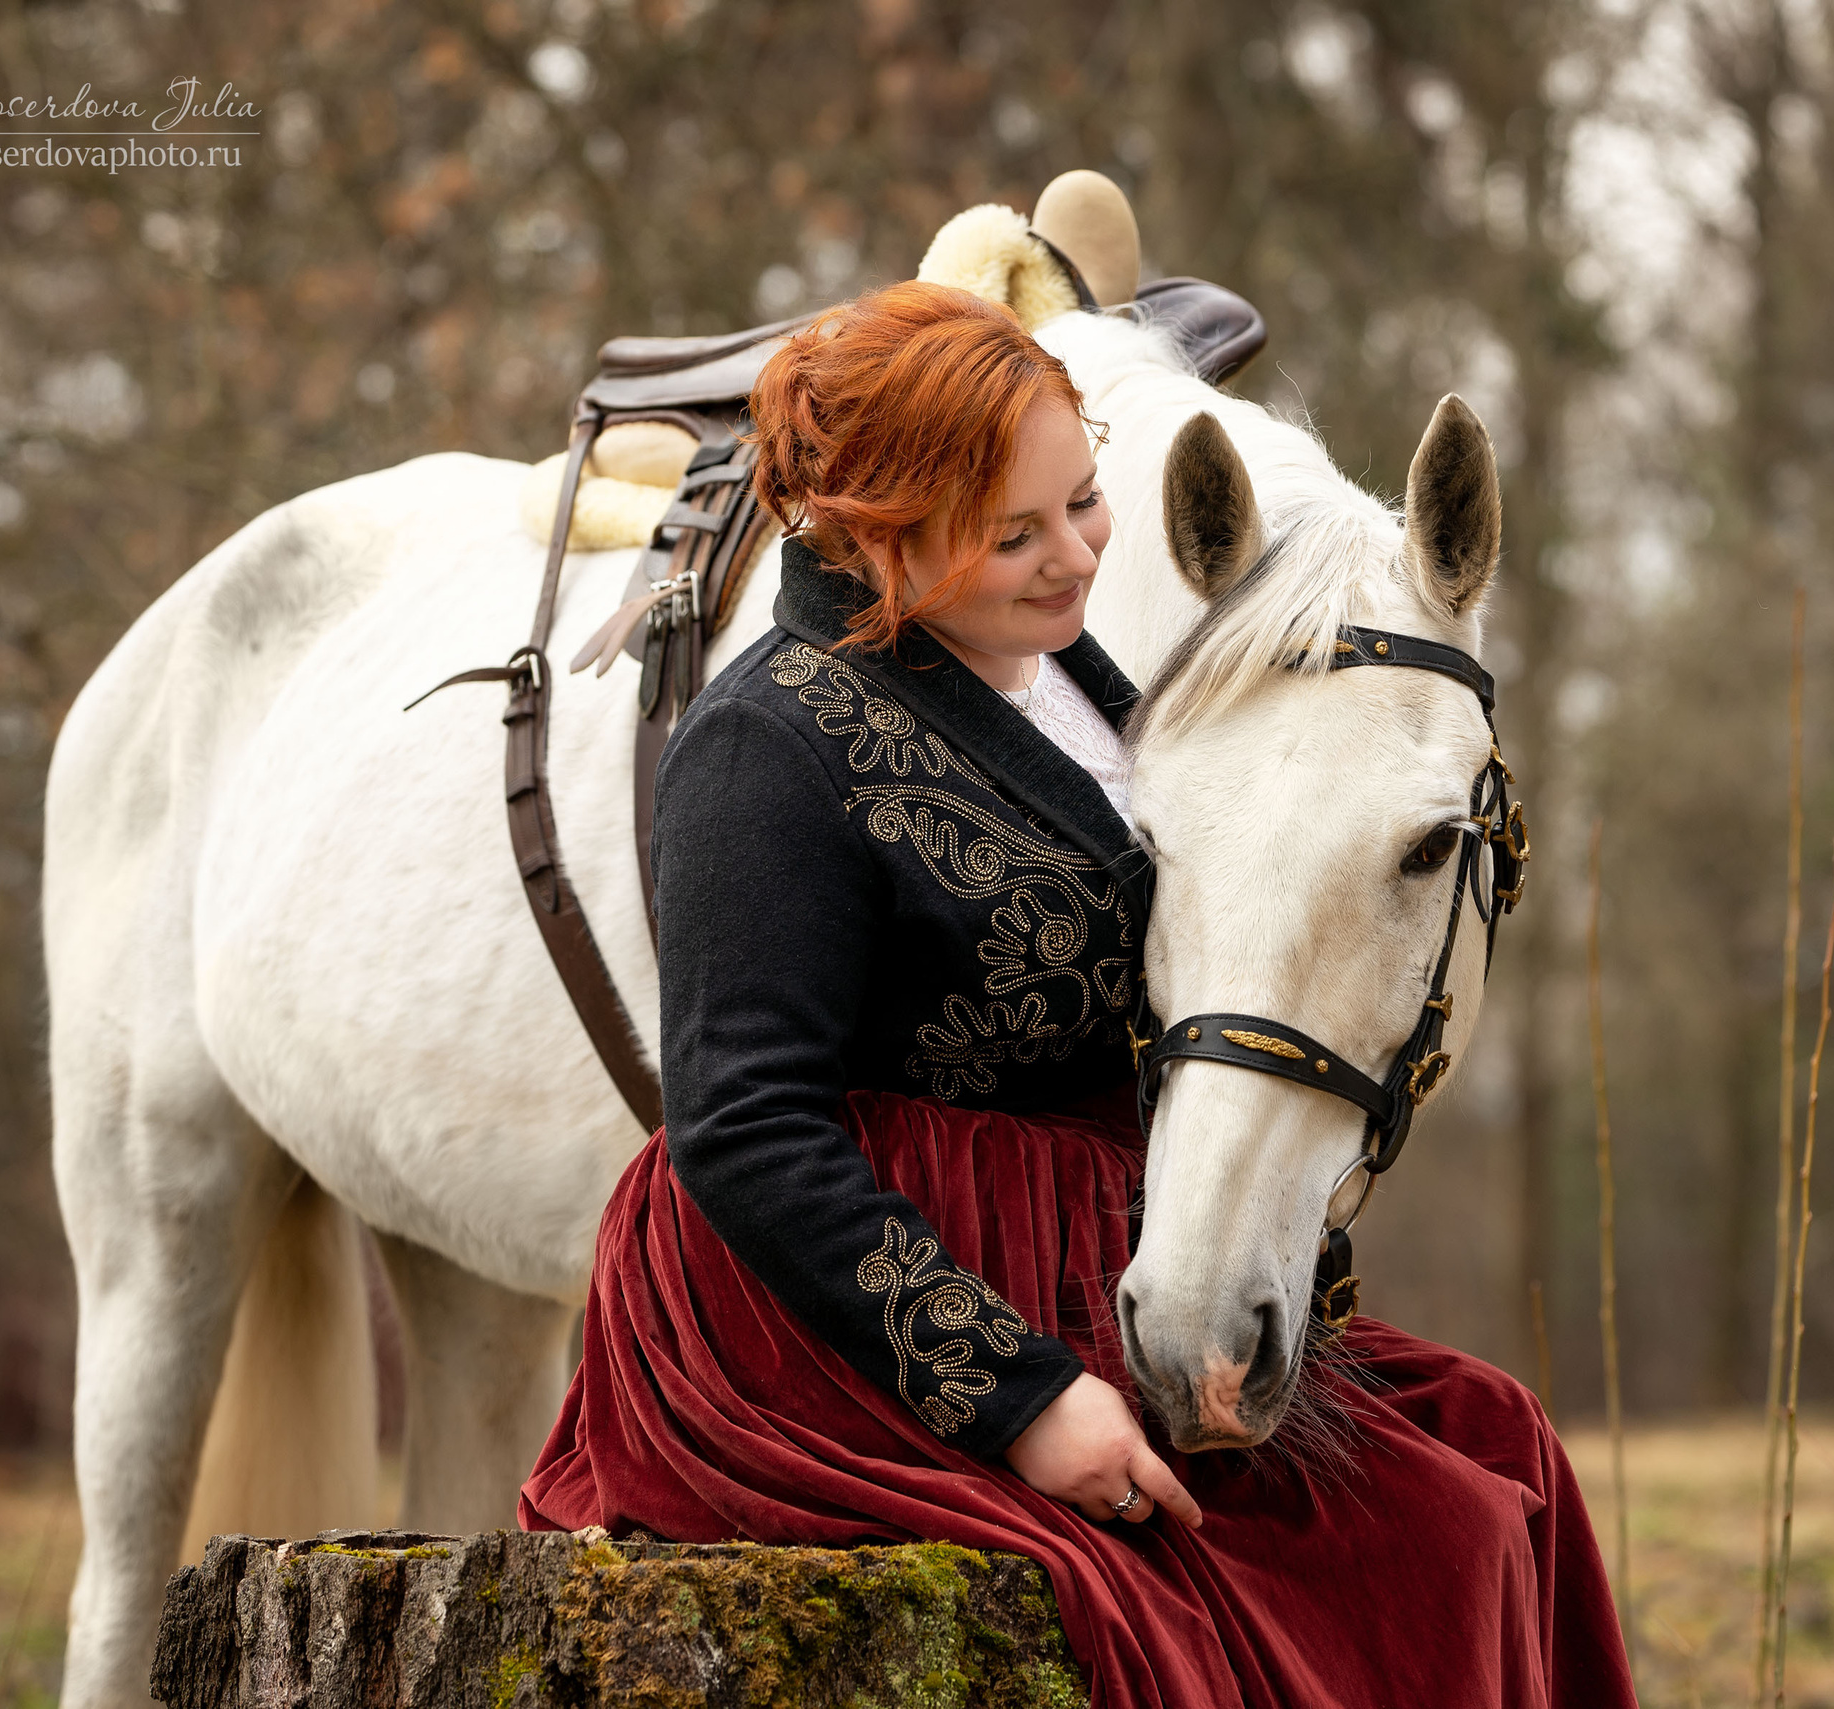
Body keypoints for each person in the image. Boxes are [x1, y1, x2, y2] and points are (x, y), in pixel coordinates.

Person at [520, 280, 1635, 1707]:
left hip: (1055, 1240)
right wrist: (1021, 1396)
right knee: (1430, 1541)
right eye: (1016, 532)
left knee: (1501, 1442)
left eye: (1084, 504)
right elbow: (738, 1128)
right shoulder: (763, 744)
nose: (1076, 556)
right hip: (830, 1308)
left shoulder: (1076, 676)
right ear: (880, 539)